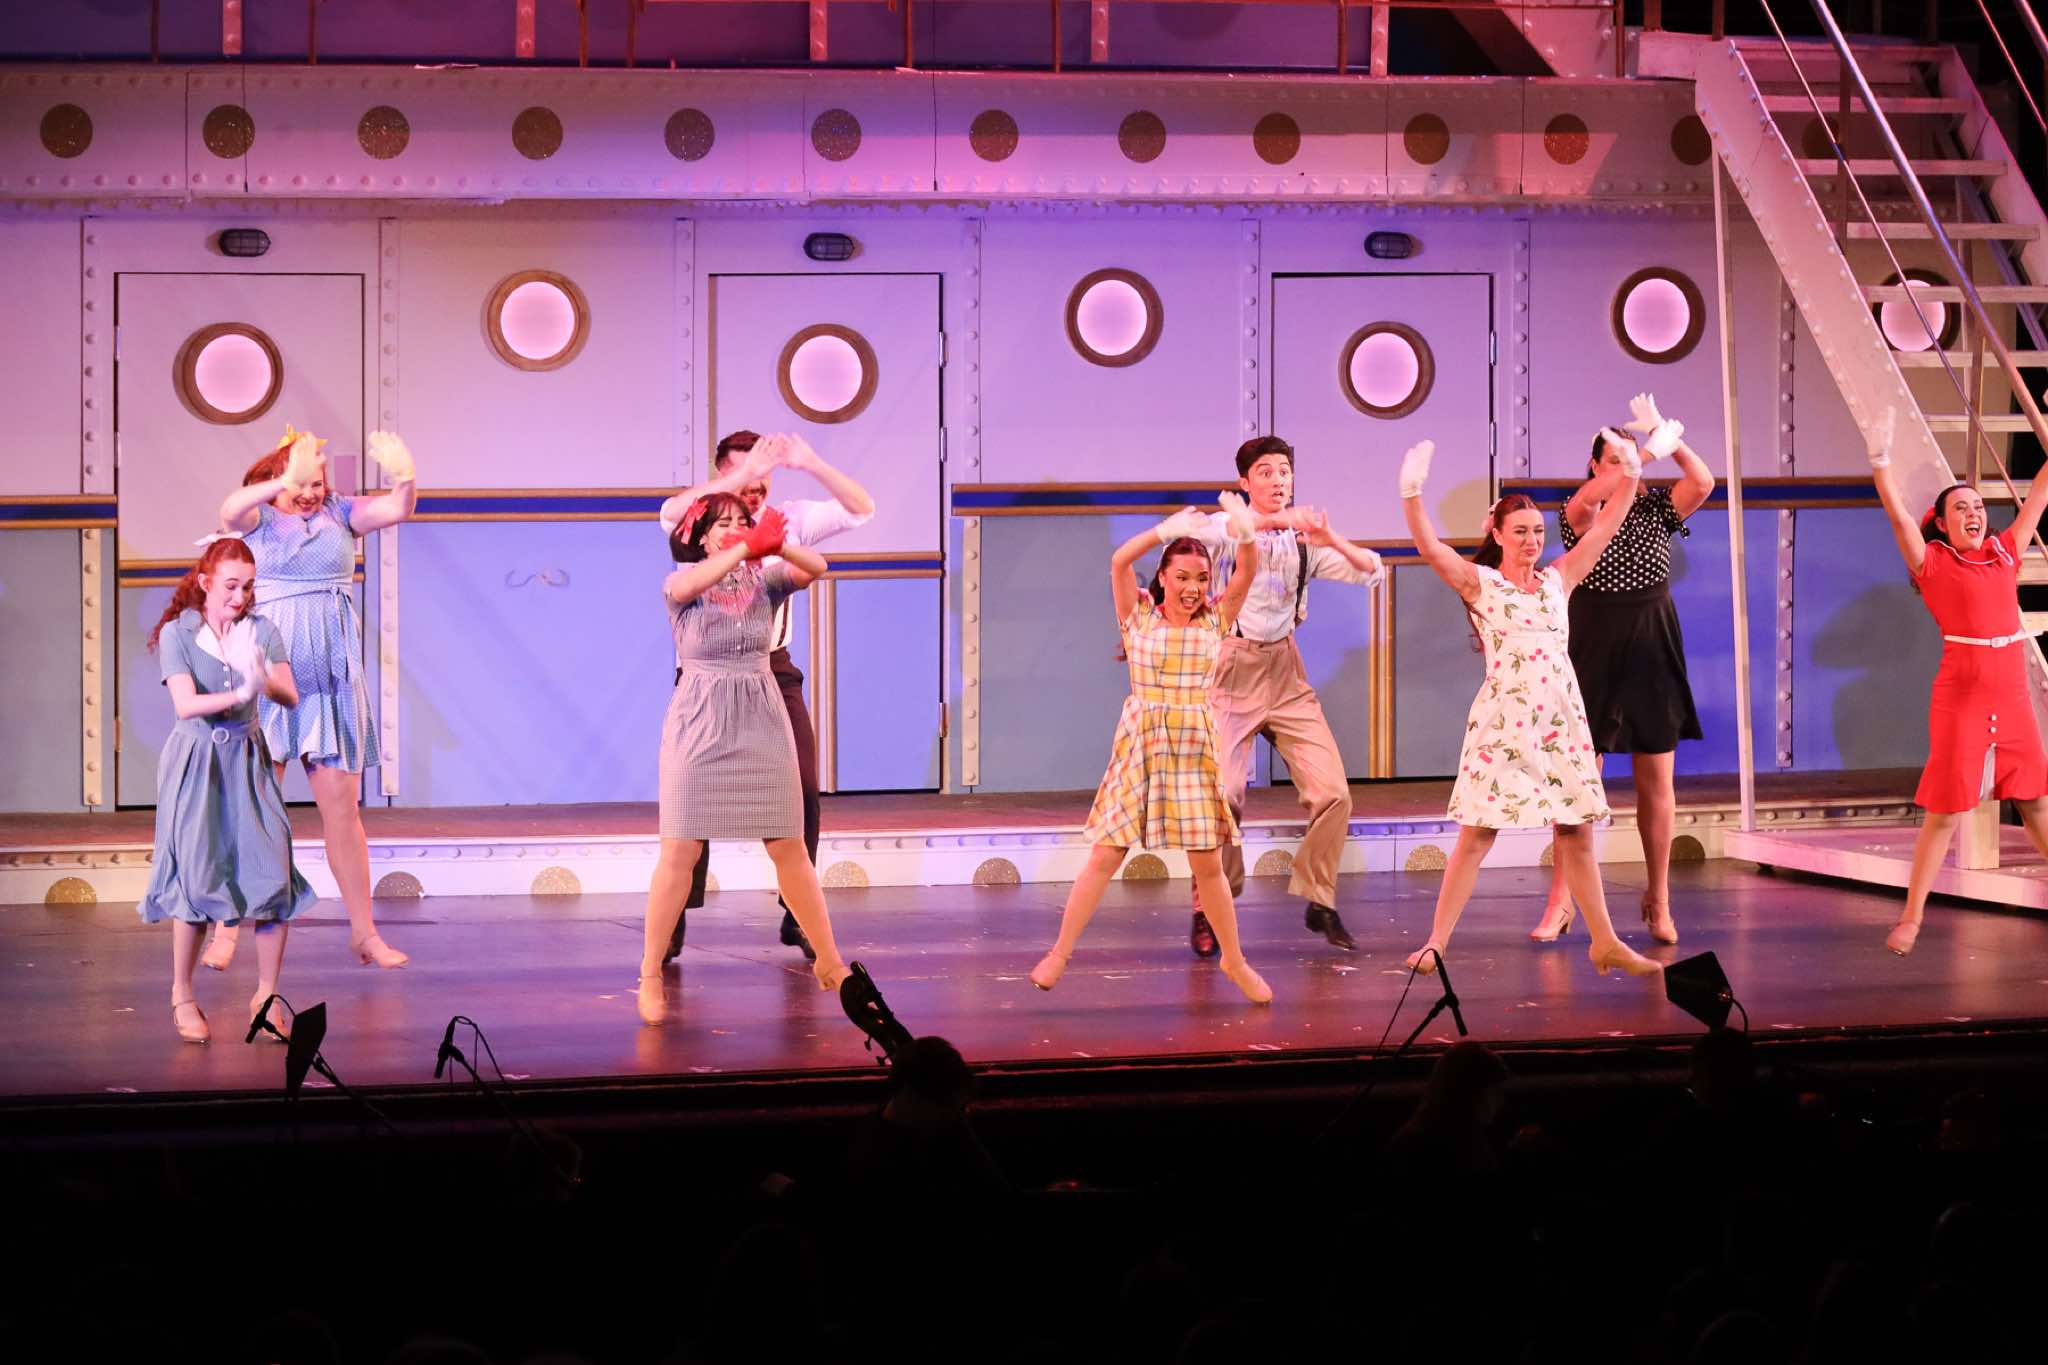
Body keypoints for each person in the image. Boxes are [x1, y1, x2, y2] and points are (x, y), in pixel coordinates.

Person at [1399, 437, 1664, 980]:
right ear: (1497, 535)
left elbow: (1608, 524)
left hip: (1559, 722)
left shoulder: (1558, 580)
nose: (1531, 541)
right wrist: (1412, 493)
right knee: (1477, 835)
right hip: (1505, 723)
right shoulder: (1483, 585)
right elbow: (1430, 548)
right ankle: (1435, 942)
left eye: (1538, 531)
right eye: (1519, 531)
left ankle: (1605, 941)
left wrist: (1634, 470)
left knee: (1576, 832)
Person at [1029, 495, 1270, 1004]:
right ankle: (1060, 953)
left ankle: (1234, 960)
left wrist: (1246, 530)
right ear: (1163, 577)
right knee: (1106, 853)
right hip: (1142, 744)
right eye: (1181, 577)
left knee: (1207, 862)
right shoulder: (1137, 613)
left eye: (1201, 578)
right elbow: (1119, 561)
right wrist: (1164, 531)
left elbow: (1247, 572)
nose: (1192, 587)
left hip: (1192, 746)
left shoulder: (1215, 619)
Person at [199, 428, 417, 971]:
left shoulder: (340, 513)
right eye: (302, 483)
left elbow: (398, 509)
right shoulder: (259, 521)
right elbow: (229, 509)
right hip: (269, 685)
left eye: (318, 483)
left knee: (343, 813)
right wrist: (282, 481)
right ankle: (227, 929)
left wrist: (405, 476)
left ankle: (364, 933)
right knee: (251, 808)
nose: (311, 493)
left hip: (330, 686)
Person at [655, 431, 875, 964]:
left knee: (802, 788)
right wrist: (738, 507)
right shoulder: (704, 517)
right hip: (707, 672)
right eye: (744, 473)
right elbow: (670, 515)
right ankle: (672, 922)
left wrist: (810, 462)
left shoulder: (786, 519)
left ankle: (800, 918)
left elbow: (859, 511)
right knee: (691, 811)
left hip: (769, 666)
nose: (755, 486)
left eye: (763, 476)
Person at [637, 493, 853, 1025]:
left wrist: (780, 545)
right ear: (702, 536)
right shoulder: (682, 581)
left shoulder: (766, 581)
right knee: (680, 850)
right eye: (722, 524)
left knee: (788, 845)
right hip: (699, 721)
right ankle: (649, 972)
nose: (734, 528)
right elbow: (684, 588)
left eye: (742, 521)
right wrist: (746, 546)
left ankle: (829, 959)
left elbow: (817, 567)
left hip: (761, 715)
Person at [1184, 435, 1385, 958]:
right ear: (1245, 482)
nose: (1278, 480)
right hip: (1231, 668)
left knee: (1334, 792)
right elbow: (1213, 532)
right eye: (1267, 472)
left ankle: (1319, 898)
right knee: (1223, 794)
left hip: (1286, 672)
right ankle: (1211, 906)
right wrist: (1271, 520)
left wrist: (1329, 535)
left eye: (1284, 471)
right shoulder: (1228, 527)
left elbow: (1372, 571)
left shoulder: (1303, 541)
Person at [1535, 393, 1715, 946]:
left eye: (1629, 459)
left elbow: (1703, 482)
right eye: (1613, 460)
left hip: (1652, 641)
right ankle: (1561, 900)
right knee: (1578, 778)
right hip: (1593, 641)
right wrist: (1639, 461)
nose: (1625, 468)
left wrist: (1669, 438)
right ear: (1595, 465)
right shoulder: (1582, 509)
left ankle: (1658, 899)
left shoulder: (1656, 508)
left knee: (1655, 779)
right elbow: (1588, 501)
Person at [1866, 406, 2048, 954]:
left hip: (2011, 695)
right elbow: (1898, 518)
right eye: (1960, 508)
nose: (1973, 513)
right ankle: (1912, 918)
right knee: (1945, 813)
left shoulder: (2004, 552)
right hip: (1962, 697)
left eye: (1978, 506)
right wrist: (1881, 462)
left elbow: (2039, 498)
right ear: (1942, 524)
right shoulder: (1934, 562)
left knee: (2035, 802)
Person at [137, 536, 312, 1043]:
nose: (240, 596)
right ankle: (182, 995)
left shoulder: (261, 630)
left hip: (248, 758)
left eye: (248, 587)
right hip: (197, 761)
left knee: (272, 874)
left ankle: (267, 997)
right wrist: (240, 689)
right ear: (206, 582)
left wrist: (262, 678)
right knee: (198, 878)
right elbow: (186, 704)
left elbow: (290, 693)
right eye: (231, 586)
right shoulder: (179, 633)